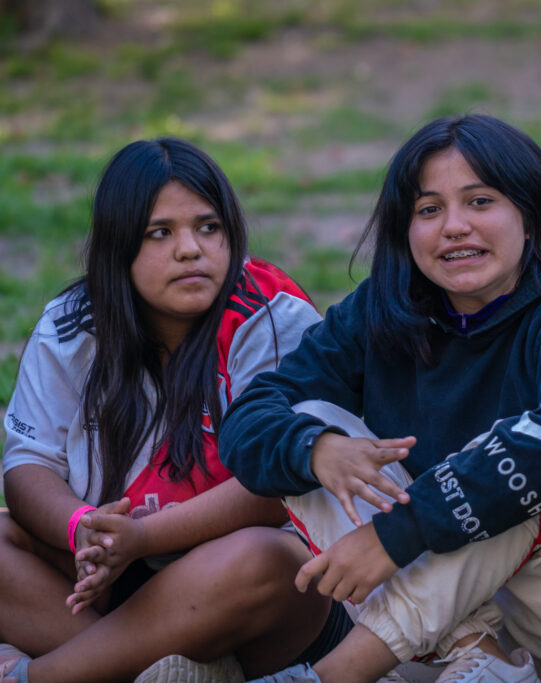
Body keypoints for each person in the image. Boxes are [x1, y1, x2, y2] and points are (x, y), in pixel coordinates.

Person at [216, 113, 541, 683]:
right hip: (439, 632)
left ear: (531, 216)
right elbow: (247, 421)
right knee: (307, 423)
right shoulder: (381, 312)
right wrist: (316, 450)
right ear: (405, 230)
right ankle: (481, 659)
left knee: (530, 455)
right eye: (429, 209)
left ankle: (329, 678)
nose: (455, 227)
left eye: (480, 201)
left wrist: (398, 533)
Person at [0, 138, 342, 683]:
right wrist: (82, 527)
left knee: (266, 560)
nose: (190, 249)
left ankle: (43, 676)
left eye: (208, 227)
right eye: (160, 232)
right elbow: (27, 465)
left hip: (247, 600)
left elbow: (278, 485)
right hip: (109, 581)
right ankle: (160, 669)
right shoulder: (69, 324)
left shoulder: (273, 316)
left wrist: (142, 537)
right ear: (118, 247)